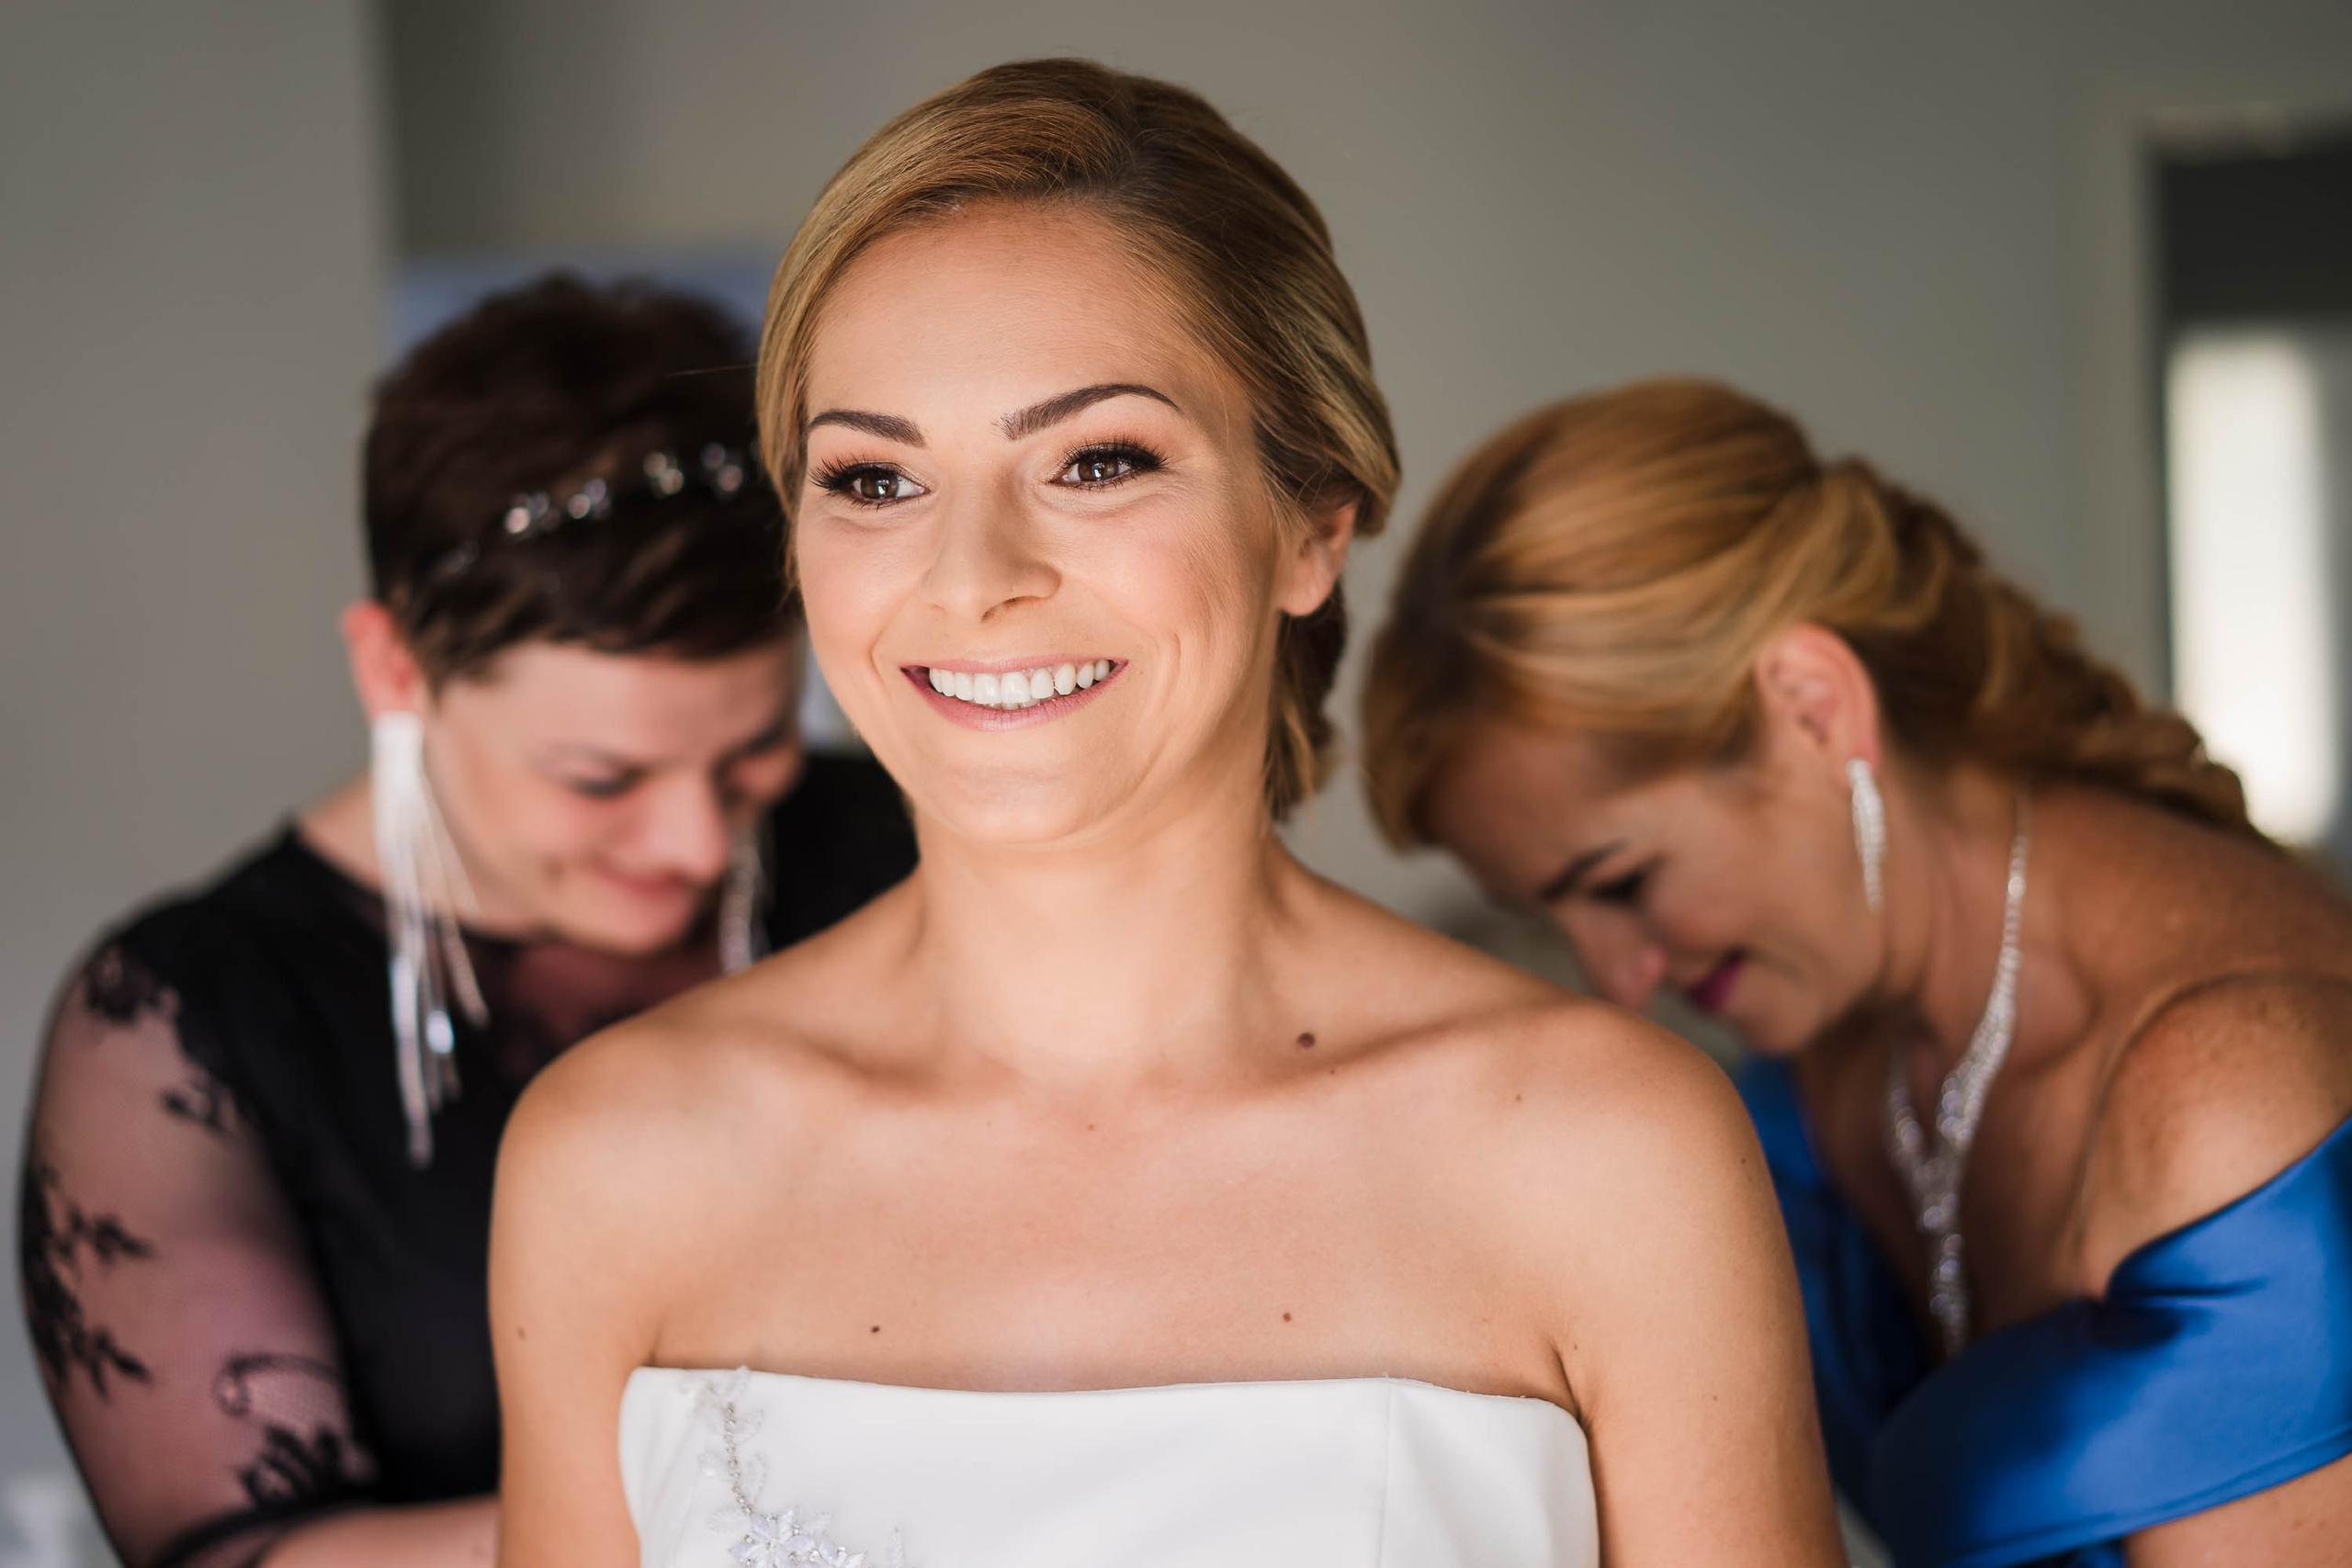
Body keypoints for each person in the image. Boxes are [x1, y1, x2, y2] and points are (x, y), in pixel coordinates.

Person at [490, 60, 1842, 1568]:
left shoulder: (1609, 1156)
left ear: (1310, 525)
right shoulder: (613, 1163)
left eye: (1098, 460)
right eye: (874, 479)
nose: (968, 575)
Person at [1361, 376, 2352, 1567]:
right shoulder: (1841, 1047)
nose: (1618, 977)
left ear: (1813, 707)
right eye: (1554, 914)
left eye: (1620, 882)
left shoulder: (2226, 1099)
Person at [17, 275, 917, 1568]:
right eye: (600, 778)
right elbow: (242, 1555)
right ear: (395, 669)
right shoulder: (184, 1027)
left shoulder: (900, 844)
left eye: (760, 747)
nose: (701, 844)